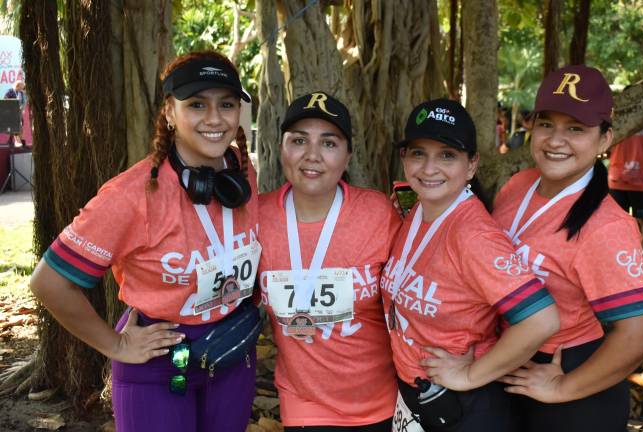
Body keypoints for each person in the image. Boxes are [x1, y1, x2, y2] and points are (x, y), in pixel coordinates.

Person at [29, 51, 260, 432]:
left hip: (232, 353)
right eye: (197, 104)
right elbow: (49, 282)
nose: (215, 118)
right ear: (169, 111)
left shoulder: (241, 174)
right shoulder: (131, 195)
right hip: (160, 359)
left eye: (227, 104)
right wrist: (115, 345)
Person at [491, 65, 643, 431]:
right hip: (511, 365)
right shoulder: (517, 186)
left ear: (604, 140)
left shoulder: (607, 226)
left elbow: (641, 332)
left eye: (576, 129)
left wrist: (563, 388)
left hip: (567, 377)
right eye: (546, 124)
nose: (555, 140)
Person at [381, 98, 560, 431]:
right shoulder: (419, 211)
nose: (429, 168)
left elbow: (541, 320)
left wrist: (468, 375)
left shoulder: (473, 236)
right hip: (418, 396)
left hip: (465, 406)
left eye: (447, 155)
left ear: (472, 165)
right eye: (418, 153)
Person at [257, 92, 401, 431]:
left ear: (348, 155)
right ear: (281, 147)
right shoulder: (256, 217)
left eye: (329, 143)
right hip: (304, 401)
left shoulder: (378, 213)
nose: (312, 155)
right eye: (298, 141)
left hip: (383, 400)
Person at [608, 122, 643, 232]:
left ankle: (640, 248)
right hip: (619, 181)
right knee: (616, 224)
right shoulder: (616, 119)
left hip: (642, 182)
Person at [4, 80, 26, 147]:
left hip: (19, 112)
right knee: (15, 125)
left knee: (20, 125)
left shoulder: (21, 93)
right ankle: (19, 142)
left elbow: (23, 102)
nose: (22, 89)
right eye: (21, 87)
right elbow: (5, 99)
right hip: (11, 111)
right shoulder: (10, 91)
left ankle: (12, 141)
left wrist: (22, 107)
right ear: (17, 86)